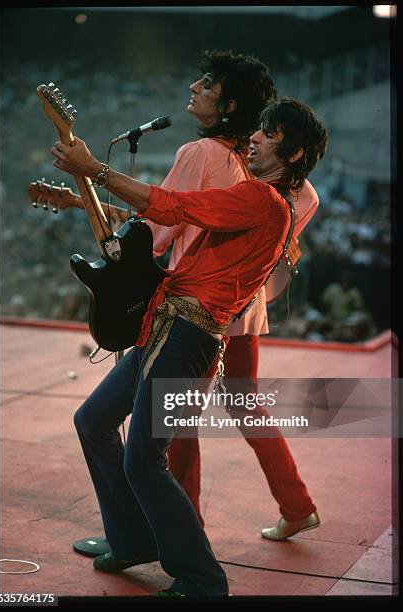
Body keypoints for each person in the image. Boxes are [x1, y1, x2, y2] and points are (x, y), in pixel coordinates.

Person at [51, 96, 328, 597]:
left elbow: (175, 206)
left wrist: (93, 169)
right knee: (93, 422)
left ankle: (203, 579)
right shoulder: (260, 199)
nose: (256, 137)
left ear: (294, 153)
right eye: (259, 129)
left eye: (270, 133)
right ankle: (134, 540)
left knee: (144, 459)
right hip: (169, 327)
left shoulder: (263, 199)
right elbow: (175, 219)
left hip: (187, 335)